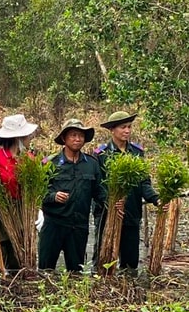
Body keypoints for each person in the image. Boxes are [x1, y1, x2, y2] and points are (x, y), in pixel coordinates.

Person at [93, 111, 159, 271]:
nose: (127, 131)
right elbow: (97, 186)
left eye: (129, 127)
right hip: (107, 214)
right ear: (112, 130)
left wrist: (155, 199)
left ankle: (129, 291)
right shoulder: (101, 154)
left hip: (131, 212)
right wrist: (111, 202)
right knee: (104, 259)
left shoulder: (137, 152)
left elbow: (144, 182)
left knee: (130, 263)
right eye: (123, 127)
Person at [40, 119, 106, 272]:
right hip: (53, 226)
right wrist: (53, 196)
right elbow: (38, 193)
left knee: (76, 273)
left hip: (79, 227)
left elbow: (100, 192)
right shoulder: (50, 163)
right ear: (64, 138)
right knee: (45, 271)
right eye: (73, 135)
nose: (77, 139)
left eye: (81, 136)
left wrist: (112, 201)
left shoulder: (92, 164)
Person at [0, 114, 37, 272]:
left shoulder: (28, 159)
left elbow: (34, 188)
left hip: (19, 209)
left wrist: (38, 210)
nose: (30, 138)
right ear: (18, 138)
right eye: (27, 136)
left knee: (17, 249)